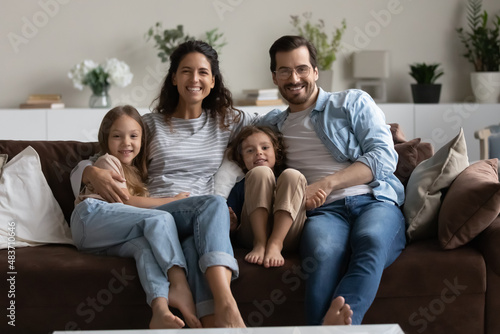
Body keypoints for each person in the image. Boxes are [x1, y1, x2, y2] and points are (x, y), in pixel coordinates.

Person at [70, 40, 256, 328]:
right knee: (214, 203)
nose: (194, 79)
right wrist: (90, 173)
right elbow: (104, 157)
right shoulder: (150, 125)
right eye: (186, 71)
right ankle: (228, 304)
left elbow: (273, 129)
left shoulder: (227, 122)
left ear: (213, 80)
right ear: (173, 77)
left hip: (199, 220)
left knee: (196, 248)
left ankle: (211, 324)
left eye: (203, 73)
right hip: (157, 212)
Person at [258, 35, 406, 326]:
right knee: (322, 254)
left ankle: (328, 330)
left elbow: (383, 157)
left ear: (315, 71)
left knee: (372, 239)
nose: (294, 77)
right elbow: (229, 137)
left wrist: (326, 184)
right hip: (323, 213)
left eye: (301, 68)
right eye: (284, 70)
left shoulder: (351, 102)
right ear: (274, 77)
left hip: (373, 200)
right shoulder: (270, 125)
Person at [71, 105, 199, 329]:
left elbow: (130, 206)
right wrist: (173, 200)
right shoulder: (107, 163)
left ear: (143, 139)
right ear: (106, 139)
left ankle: (160, 310)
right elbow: (126, 201)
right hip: (90, 216)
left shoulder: (138, 175)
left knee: (145, 248)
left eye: (133, 136)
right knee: (160, 219)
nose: (126, 143)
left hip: (98, 238)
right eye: (117, 136)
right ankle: (180, 284)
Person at [225, 125, 326, 268]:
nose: (258, 153)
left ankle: (275, 243)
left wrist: (308, 206)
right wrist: (232, 226)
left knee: (293, 175)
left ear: (276, 153)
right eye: (250, 150)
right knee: (260, 173)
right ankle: (260, 243)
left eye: (265, 148)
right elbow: (230, 217)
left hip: (287, 236)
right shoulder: (242, 185)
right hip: (251, 235)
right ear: (242, 160)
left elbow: (308, 215)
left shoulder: (289, 181)